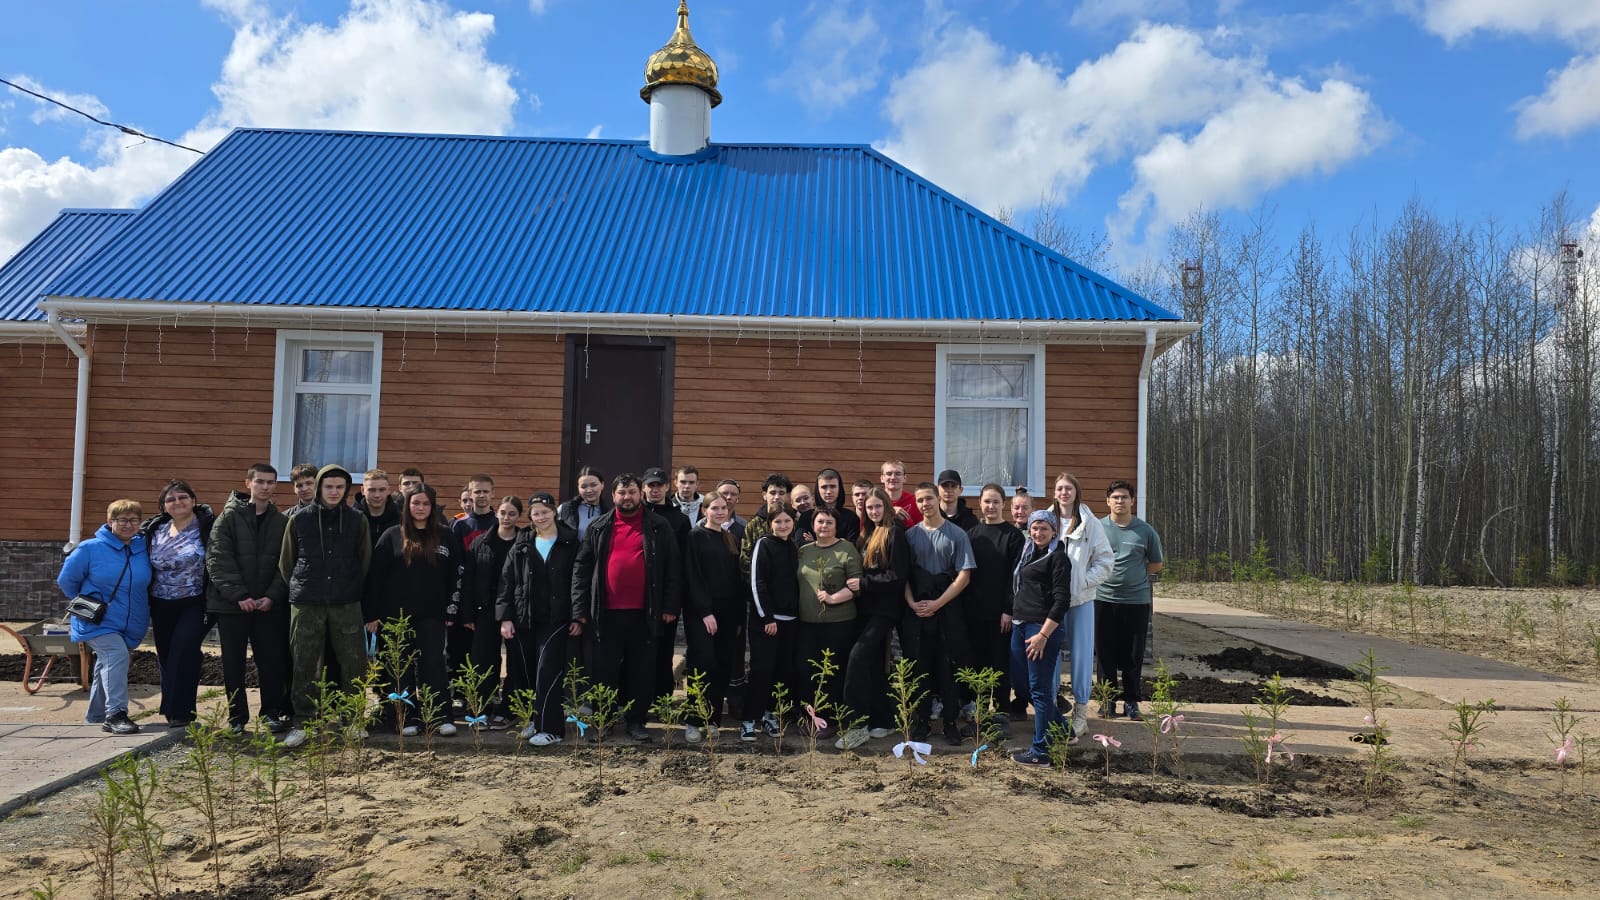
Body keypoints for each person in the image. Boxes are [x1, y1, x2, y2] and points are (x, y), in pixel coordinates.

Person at [570, 474, 682, 742]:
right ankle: (603, 721)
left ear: (640, 493)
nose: (627, 497)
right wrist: (579, 609)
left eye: (632, 492)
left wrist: (669, 606)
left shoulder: (659, 526)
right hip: (604, 613)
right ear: (613, 495)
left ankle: (636, 721)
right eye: (622, 493)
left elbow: (673, 569)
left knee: (641, 670)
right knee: (603, 671)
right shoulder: (599, 526)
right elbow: (581, 569)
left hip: (645, 613)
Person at [278, 464, 371, 748]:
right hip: (307, 601)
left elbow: (364, 560)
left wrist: (348, 585)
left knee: (353, 661)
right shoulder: (299, 519)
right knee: (304, 662)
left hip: (346, 601)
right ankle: (303, 722)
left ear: (346, 490)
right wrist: (306, 585)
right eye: (328, 486)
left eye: (339, 487)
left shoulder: (357, 520)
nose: (334, 492)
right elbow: (287, 562)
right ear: (319, 487)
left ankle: (352, 719)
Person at [366, 485, 466, 736]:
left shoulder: (445, 536)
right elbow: (375, 578)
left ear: (432, 507)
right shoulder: (391, 535)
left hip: (432, 615)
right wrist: (372, 615)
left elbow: (457, 575)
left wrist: (452, 610)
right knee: (400, 667)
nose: (420, 508)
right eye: (416, 503)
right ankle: (406, 717)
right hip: (395, 618)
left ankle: (439, 716)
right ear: (407, 506)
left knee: (434, 665)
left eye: (425, 504)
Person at [206, 463, 291, 734]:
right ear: (248, 483)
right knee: (233, 664)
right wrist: (239, 595)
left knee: (271, 663)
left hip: (268, 607)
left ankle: (271, 713)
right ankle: (237, 717)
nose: (265, 487)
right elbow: (218, 559)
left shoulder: (281, 522)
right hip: (232, 607)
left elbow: (286, 564)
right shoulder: (228, 518)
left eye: (270, 482)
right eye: (260, 481)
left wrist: (272, 596)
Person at [60, 500, 153, 735]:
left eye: (134, 520)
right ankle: (116, 714)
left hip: (131, 621)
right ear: (110, 521)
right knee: (116, 655)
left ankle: (96, 716)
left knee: (108, 663)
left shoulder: (143, 549)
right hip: (97, 620)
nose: (128, 524)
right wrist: (90, 600)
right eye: (122, 520)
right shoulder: (90, 548)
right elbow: (67, 581)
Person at [499, 492, 581, 746]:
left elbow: (578, 581)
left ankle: (552, 729)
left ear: (554, 512)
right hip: (525, 618)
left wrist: (578, 616)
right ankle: (536, 720)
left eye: (545, 512)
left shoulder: (570, 542)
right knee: (528, 672)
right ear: (530, 517)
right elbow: (507, 582)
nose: (541, 517)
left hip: (556, 619)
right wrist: (505, 618)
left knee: (548, 671)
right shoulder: (522, 543)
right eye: (536, 513)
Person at [901, 482, 976, 745]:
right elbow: (904, 576)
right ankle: (922, 721)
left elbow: (964, 576)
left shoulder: (957, 535)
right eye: (920, 500)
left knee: (948, 668)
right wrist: (912, 603)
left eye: (929, 499)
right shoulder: (910, 536)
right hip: (918, 612)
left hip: (947, 611)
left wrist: (938, 604)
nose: (925, 504)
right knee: (920, 667)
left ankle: (950, 722)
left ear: (938, 499)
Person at [836, 488, 909, 750]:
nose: (874, 511)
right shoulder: (867, 533)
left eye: (878, 506)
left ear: (887, 506)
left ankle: (856, 725)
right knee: (874, 664)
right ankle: (883, 719)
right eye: (869, 508)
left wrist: (864, 584)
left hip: (884, 610)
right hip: (863, 609)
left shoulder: (894, 532)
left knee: (857, 657)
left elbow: (897, 576)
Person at [141, 479, 216, 728]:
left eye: (183, 497)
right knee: (166, 654)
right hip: (161, 603)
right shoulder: (155, 529)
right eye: (171, 499)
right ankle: (174, 710)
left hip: (195, 601)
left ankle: (181, 712)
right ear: (164, 506)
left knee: (184, 649)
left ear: (193, 500)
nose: (177, 502)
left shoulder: (208, 526)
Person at [1009, 509, 1074, 767]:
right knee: (1021, 683)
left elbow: (1062, 601)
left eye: (1044, 528)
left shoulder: (1058, 558)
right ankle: (1064, 730)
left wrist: (1043, 635)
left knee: (1040, 689)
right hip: (1020, 624)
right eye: (1034, 528)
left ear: (1054, 531)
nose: (1038, 533)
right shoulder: (1028, 553)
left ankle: (1040, 751)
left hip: (1040, 628)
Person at [1050, 472, 1115, 732]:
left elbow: (1105, 560)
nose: (1064, 493)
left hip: (1081, 600)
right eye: (1060, 488)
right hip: (1051, 602)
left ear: (1076, 492)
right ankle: (1051, 709)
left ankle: (1080, 713)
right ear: (1054, 493)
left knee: (1081, 655)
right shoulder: (1046, 520)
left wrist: (1083, 581)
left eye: (1068, 488)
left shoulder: (1090, 523)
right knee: (1050, 654)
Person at [1097, 480, 1164, 722]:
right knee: (1105, 653)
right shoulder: (1097, 528)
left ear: (1132, 501)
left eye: (1125, 497)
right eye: (1115, 497)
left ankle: (1132, 702)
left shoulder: (1145, 531)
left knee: (1133, 654)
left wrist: (1134, 577)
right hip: (1103, 599)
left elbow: (1156, 563)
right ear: (1108, 501)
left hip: (1136, 601)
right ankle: (1107, 700)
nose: (1120, 501)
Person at [795, 506, 863, 739]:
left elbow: (856, 585)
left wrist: (833, 598)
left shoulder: (846, 549)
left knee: (832, 671)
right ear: (813, 525)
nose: (824, 526)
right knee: (807, 670)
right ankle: (811, 717)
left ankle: (831, 720)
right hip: (806, 623)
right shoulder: (803, 551)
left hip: (838, 623)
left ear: (836, 526)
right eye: (820, 522)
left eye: (829, 522)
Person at [682, 493, 743, 742]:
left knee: (721, 665)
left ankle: (713, 719)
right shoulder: (695, 536)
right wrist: (705, 611)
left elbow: (736, 581)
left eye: (723, 508)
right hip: (702, 613)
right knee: (702, 663)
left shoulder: (730, 538)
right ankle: (693, 720)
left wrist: (737, 618)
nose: (720, 512)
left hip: (728, 613)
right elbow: (692, 576)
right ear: (704, 510)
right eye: (714, 508)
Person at [739, 504, 799, 742]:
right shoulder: (763, 545)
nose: (783, 526)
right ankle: (748, 719)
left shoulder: (794, 547)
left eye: (787, 521)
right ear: (770, 523)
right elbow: (757, 583)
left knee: (781, 672)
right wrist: (767, 616)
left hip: (790, 621)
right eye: (778, 521)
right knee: (761, 670)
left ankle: (769, 715)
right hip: (767, 622)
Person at [966, 483, 1025, 721]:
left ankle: (1001, 712)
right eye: (987, 501)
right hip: (974, 612)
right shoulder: (972, 534)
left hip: (1001, 614)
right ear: (980, 503)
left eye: (996, 502)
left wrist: (1008, 610)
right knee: (978, 661)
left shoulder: (1013, 536)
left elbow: (1015, 577)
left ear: (1004, 504)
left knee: (1000, 663)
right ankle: (979, 711)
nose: (991, 506)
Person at [465, 495, 523, 728]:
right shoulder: (481, 542)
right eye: (503, 512)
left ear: (519, 516)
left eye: (512, 514)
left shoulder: (524, 542)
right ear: (496, 513)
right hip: (485, 609)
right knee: (482, 660)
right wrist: (468, 614)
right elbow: (469, 579)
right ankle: (481, 708)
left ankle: (507, 708)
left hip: (516, 610)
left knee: (515, 661)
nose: (507, 518)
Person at [641, 466, 691, 708]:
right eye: (650, 485)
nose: (654, 490)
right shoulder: (635, 514)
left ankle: (662, 699)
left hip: (665, 598)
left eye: (659, 485)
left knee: (663, 651)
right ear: (643, 488)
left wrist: (672, 604)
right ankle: (637, 698)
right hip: (638, 598)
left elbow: (681, 566)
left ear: (667, 487)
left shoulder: (679, 519)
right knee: (638, 651)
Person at [449, 474, 499, 712]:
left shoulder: (499, 523)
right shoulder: (459, 525)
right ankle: (459, 693)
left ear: (492, 493)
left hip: (490, 596)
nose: (481, 496)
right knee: (459, 647)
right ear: (469, 494)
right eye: (476, 491)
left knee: (490, 649)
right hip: (464, 594)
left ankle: (490, 692)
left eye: (485, 491)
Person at [738, 473, 792, 580]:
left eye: (781, 493)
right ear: (764, 495)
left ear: (787, 496)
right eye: (772, 493)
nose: (777, 497)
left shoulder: (793, 522)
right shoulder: (753, 525)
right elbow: (745, 560)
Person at [556, 466, 608, 539]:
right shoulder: (565, 509)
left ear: (602, 485)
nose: (589, 490)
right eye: (584, 487)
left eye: (593, 485)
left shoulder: (609, 513)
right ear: (578, 488)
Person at [814, 468, 860, 543]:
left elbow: (851, 545)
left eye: (832, 486)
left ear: (839, 488)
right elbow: (802, 544)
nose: (828, 491)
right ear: (818, 489)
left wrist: (815, 541)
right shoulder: (806, 517)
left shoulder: (851, 518)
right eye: (824, 487)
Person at [359, 468, 401, 550]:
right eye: (372, 490)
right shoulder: (352, 519)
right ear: (363, 490)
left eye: (382, 490)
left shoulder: (400, 519)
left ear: (388, 490)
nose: (377, 495)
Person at [880, 460, 922, 526]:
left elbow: (921, 529)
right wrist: (890, 512)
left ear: (904, 478)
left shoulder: (915, 501)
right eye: (889, 474)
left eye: (898, 474)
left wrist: (905, 519)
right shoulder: (875, 500)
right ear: (882, 478)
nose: (893, 477)